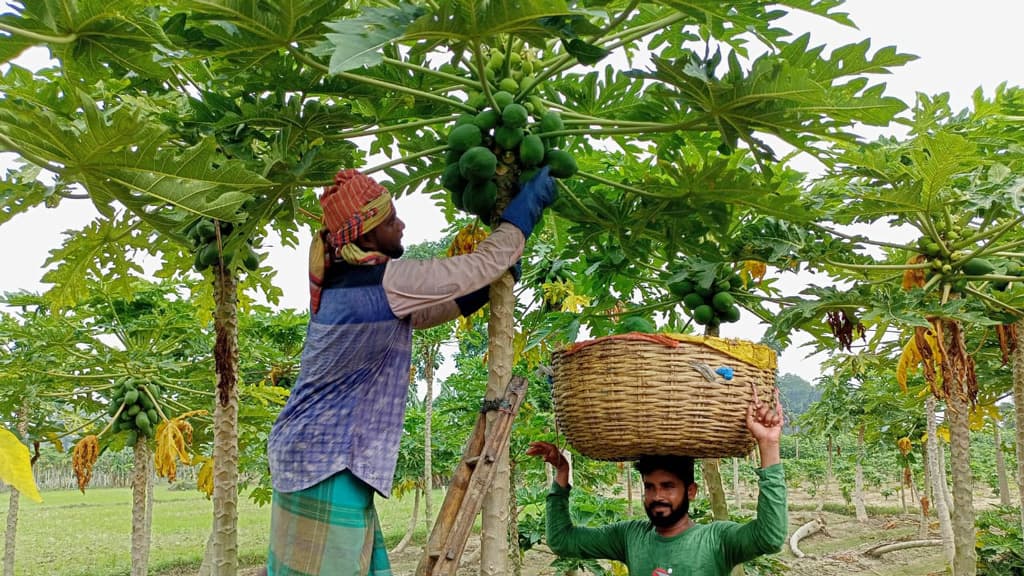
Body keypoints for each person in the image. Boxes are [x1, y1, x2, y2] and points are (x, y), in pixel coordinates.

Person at [265, 166, 557, 576]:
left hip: (317, 456)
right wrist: (524, 213)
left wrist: (479, 292)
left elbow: (419, 316)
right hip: (325, 460)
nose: (401, 225)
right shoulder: (381, 282)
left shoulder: (351, 285)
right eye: (391, 220)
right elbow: (479, 264)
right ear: (366, 235)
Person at [526, 385, 787, 576]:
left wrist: (768, 444)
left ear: (691, 491)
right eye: (650, 487)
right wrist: (561, 475)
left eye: (668, 486)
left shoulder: (716, 539)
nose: (657, 496)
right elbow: (562, 541)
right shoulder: (630, 536)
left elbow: (770, 537)